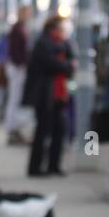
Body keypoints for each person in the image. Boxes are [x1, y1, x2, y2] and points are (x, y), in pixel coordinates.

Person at [24, 16, 74, 176]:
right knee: (42, 130)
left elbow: (70, 61)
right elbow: (53, 64)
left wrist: (66, 63)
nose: (63, 31)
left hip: (59, 94)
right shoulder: (43, 43)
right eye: (61, 28)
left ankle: (54, 165)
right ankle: (35, 168)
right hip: (45, 94)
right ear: (53, 29)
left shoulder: (62, 43)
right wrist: (66, 65)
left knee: (59, 129)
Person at [4, 5, 32, 144]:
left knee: (16, 98)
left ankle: (14, 127)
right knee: (14, 99)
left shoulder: (20, 28)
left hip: (18, 66)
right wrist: (21, 63)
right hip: (17, 67)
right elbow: (16, 49)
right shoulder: (17, 28)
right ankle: (11, 128)